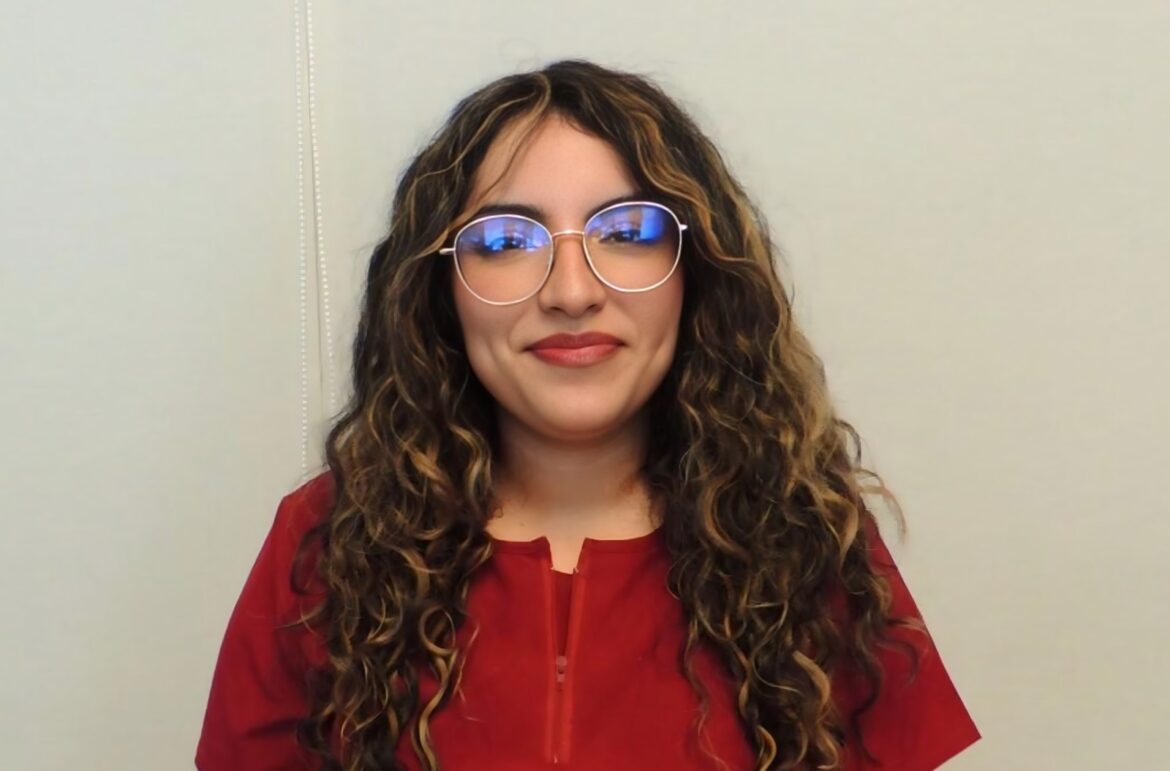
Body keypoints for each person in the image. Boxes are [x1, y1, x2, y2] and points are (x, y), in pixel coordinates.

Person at [195, 58, 981, 771]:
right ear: (438, 290)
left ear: (696, 272)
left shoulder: (807, 535)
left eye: (628, 231)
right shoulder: (325, 545)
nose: (572, 292)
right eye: (507, 240)